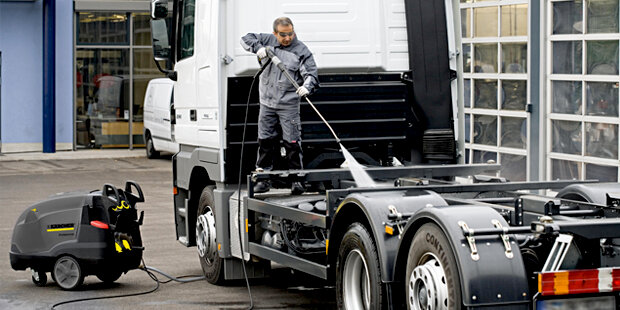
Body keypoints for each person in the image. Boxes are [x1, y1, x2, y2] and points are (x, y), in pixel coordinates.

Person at [241, 17, 319, 194]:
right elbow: (245, 38)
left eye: (290, 33)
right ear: (275, 33)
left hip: (289, 104)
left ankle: (296, 180)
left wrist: (306, 87)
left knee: (292, 142)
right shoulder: (267, 40)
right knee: (265, 140)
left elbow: (312, 74)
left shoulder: (301, 50)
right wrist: (258, 48)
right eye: (283, 35)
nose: (288, 38)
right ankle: (263, 179)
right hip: (267, 102)